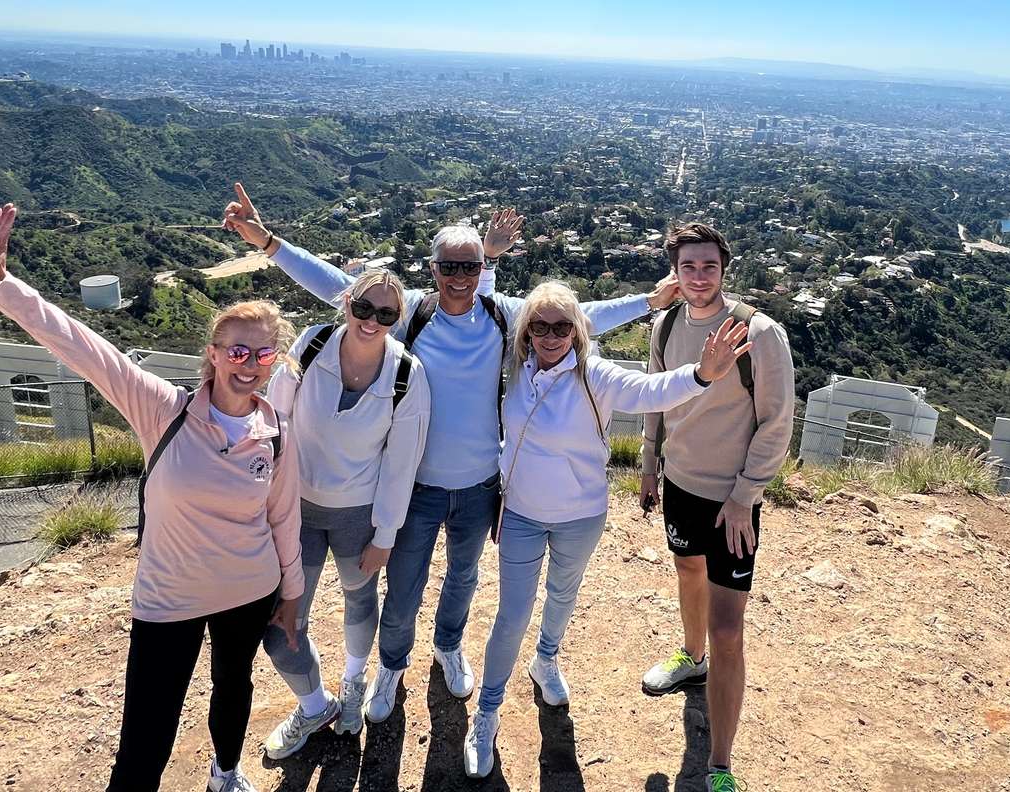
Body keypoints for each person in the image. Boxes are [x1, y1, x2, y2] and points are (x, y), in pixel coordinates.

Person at [222, 183, 679, 725]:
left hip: (480, 483)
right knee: (404, 581)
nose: (460, 279)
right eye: (449, 268)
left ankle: (447, 645)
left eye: (470, 267)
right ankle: (391, 666)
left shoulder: (500, 315)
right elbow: (340, 288)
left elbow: (576, 317)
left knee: (463, 577)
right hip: (415, 482)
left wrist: (647, 303)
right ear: (432, 269)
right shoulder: (409, 311)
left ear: (481, 268)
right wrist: (269, 243)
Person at [0, 204, 304, 792]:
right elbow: (83, 346)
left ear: (273, 360)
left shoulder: (276, 430)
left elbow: (283, 516)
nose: (248, 365)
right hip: (168, 596)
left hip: (250, 589)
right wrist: (4, 285)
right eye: (236, 351)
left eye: (261, 355)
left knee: (235, 688)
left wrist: (293, 594)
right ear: (213, 353)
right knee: (147, 730)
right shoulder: (163, 410)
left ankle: (225, 772)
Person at [462, 281, 752, 779]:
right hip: (523, 514)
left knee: (562, 595)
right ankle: (487, 711)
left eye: (562, 326)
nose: (550, 336)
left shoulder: (594, 375)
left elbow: (649, 391)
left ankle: (546, 660)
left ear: (577, 331)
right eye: (539, 326)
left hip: (580, 515)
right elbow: (479, 306)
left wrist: (702, 375)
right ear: (525, 330)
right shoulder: (512, 371)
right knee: (512, 613)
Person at [638, 222, 795, 792]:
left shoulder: (759, 333)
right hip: (680, 483)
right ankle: (690, 657)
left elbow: (777, 424)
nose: (698, 276)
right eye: (688, 267)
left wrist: (744, 496)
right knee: (686, 569)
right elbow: (657, 401)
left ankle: (720, 765)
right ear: (675, 273)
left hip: (732, 499)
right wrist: (650, 466)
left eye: (708, 266)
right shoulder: (668, 324)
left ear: (724, 268)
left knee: (730, 628)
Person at [258, 268, 431, 758]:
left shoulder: (405, 374)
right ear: (347, 303)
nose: (371, 320)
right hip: (297, 509)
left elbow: (403, 461)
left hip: (359, 515)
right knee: (283, 621)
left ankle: (353, 684)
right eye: (363, 308)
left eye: (386, 313)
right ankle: (314, 704)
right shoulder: (311, 347)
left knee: (359, 601)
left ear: (397, 320)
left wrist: (386, 534)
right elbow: (273, 421)